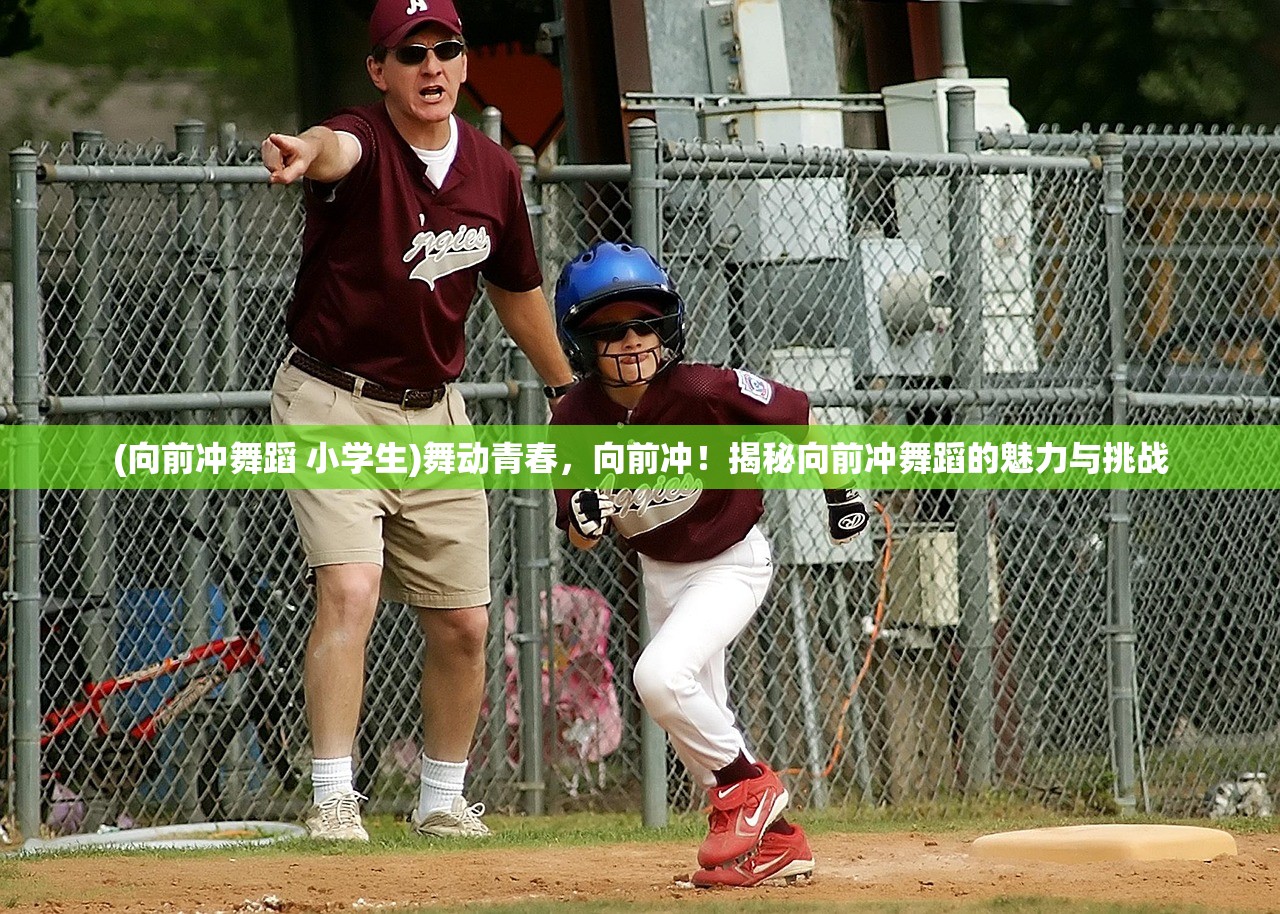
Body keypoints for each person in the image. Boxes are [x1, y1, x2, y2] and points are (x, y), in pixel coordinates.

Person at [261, 0, 577, 841]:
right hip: (331, 401)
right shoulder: (360, 141)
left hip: (435, 412)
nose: (430, 68)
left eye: (445, 50)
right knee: (351, 588)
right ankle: (334, 796)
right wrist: (303, 151)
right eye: (409, 55)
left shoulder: (492, 170)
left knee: (466, 624)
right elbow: (336, 149)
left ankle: (440, 798)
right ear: (379, 72)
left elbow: (516, 290)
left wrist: (564, 392)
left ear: (465, 64)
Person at [548, 240, 869, 887]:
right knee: (699, 730)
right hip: (662, 573)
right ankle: (780, 845)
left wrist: (841, 492)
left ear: (668, 330)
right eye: (611, 331)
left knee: (660, 678)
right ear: (582, 345)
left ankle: (753, 789)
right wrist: (584, 517)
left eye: (645, 324)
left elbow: (797, 415)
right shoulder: (575, 419)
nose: (633, 340)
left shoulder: (701, 388)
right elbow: (581, 538)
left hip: (732, 561)